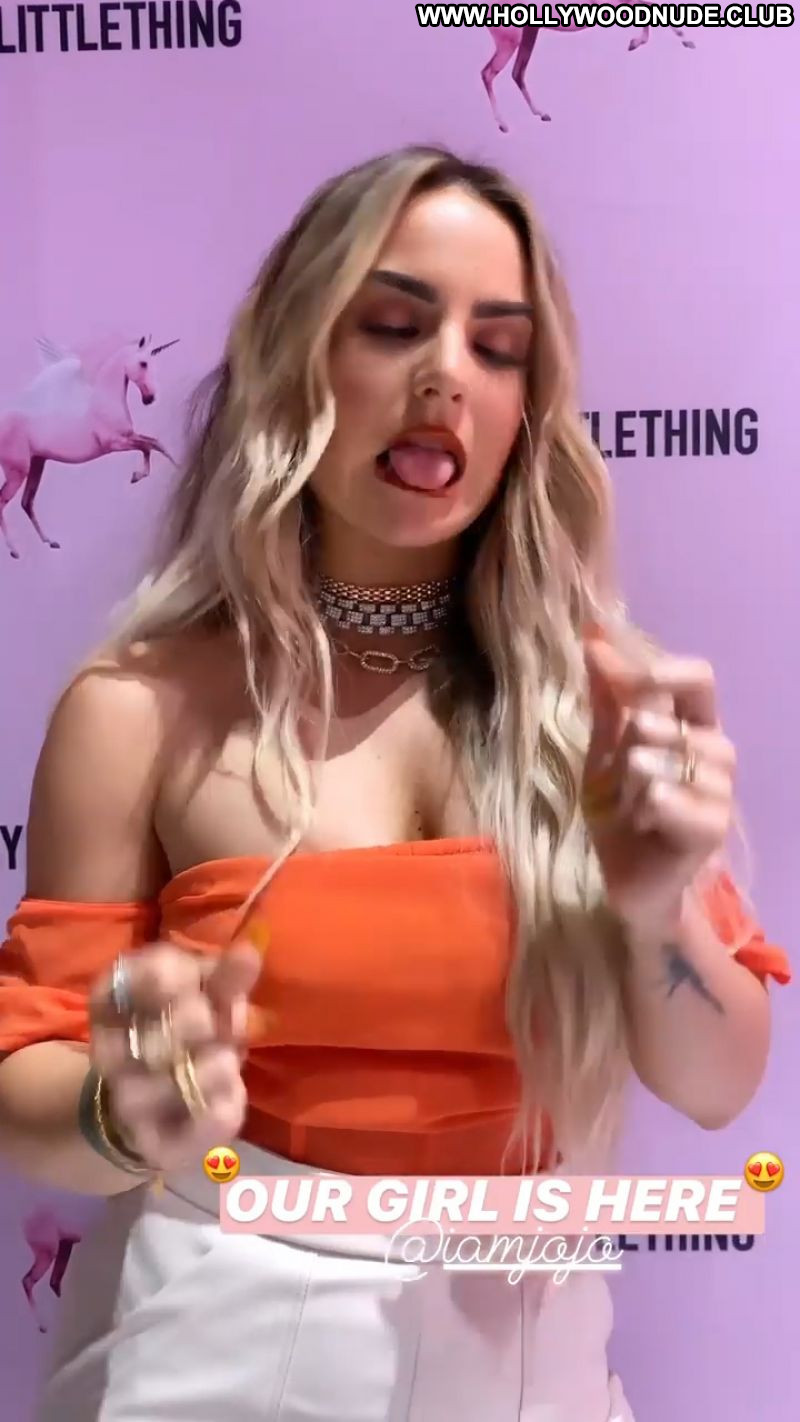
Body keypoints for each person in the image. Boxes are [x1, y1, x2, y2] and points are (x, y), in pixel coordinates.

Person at [0, 145, 790, 1421]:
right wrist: (120, 1106)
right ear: (294, 355)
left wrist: (657, 911)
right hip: (208, 1343)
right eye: (392, 325)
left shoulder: (598, 706)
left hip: (531, 1357)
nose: (445, 378)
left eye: (497, 347)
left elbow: (716, 1086)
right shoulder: (135, 710)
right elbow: (27, 1084)